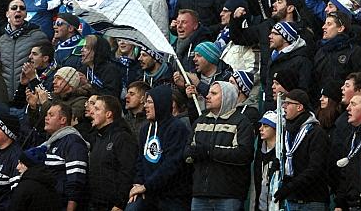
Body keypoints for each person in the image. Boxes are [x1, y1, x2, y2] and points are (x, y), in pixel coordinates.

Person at [186, 81, 255, 209]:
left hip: (229, 196)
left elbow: (243, 155)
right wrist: (192, 154)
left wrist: (209, 152)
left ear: (227, 97)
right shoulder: (200, 121)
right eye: (208, 93)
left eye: (214, 93)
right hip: (200, 194)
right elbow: (188, 151)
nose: (207, 96)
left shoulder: (241, 123)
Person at [129, 84, 191, 210]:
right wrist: (138, 184)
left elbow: (172, 164)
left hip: (172, 196)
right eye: (145, 102)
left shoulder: (177, 128)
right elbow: (141, 159)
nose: (145, 106)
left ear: (161, 103)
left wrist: (146, 186)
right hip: (148, 192)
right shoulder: (145, 129)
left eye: (150, 102)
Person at [272, 89, 330, 208]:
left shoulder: (316, 133)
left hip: (312, 200)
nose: (284, 106)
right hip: (291, 199)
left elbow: (315, 169)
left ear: (299, 107)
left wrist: (290, 187)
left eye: (288, 103)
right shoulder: (287, 132)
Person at [87, 95, 137, 211]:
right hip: (95, 204)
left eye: (97, 109)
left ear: (108, 114)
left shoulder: (123, 138)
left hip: (114, 206)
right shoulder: (97, 137)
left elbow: (127, 172)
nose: (92, 112)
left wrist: (120, 203)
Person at [41, 102, 89, 210]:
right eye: (47, 114)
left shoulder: (73, 142)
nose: (46, 118)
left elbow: (76, 179)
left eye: (51, 115)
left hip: (62, 204)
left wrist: (70, 208)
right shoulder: (51, 142)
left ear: (63, 120)